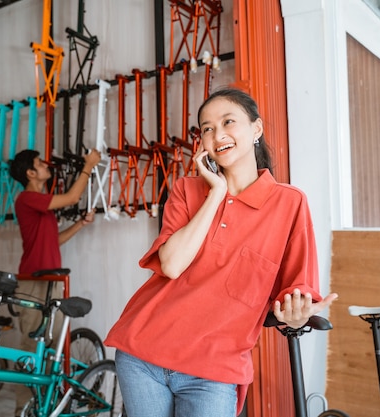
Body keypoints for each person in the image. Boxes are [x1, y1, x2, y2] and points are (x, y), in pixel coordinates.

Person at [104, 87, 338, 417]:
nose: (217, 134)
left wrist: (295, 312)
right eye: (208, 128)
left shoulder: (289, 203)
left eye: (229, 122)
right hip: (144, 352)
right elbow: (170, 265)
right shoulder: (187, 190)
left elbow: (297, 290)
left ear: (256, 129)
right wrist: (216, 193)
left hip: (214, 370)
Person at [9, 148, 101, 415]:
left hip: (51, 279)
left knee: (52, 346)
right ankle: (22, 409)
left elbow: (54, 241)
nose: (46, 165)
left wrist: (81, 225)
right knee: (30, 344)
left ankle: (45, 405)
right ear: (30, 173)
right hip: (32, 281)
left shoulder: (42, 205)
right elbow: (73, 196)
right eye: (40, 163)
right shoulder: (27, 199)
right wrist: (88, 165)